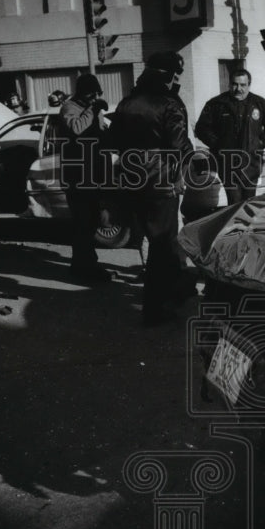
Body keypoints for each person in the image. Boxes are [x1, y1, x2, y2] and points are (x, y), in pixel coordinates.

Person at [113, 51, 194, 325]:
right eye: (176, 75)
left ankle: (174, 294)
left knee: (152, 239)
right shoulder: (168, 103)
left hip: (132, 179)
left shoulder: (127, 102)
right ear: (169, 75)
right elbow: (179, 144)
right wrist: (183, 171)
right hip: (161, 179)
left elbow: (111, 141)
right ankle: (158, 307)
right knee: (163, 243)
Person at [196, 68, 265, 205]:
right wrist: (218, 144)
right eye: (235, 84)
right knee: (234, 202)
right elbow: (201, 128)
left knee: (249, 201)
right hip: (227, 162)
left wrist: (260, 143)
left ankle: (246, 225)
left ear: (249, 85)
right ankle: (236, 226)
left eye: (243, 85)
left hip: (251, 162)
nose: (238, 89)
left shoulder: (259, 103)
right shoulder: (216, 104)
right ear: (229, 84)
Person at [58, 74, 112, 282]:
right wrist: (93, 109)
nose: (96, 97)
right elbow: (77, 129)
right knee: (82, 224)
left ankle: (88, 265)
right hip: (77, 177)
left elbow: (100, 136)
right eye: (93, 94)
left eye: (98, 94)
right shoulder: (68, 108)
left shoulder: (93, 110)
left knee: (91, 224)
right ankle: (82, 269)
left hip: (93, 175)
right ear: (83, 93)